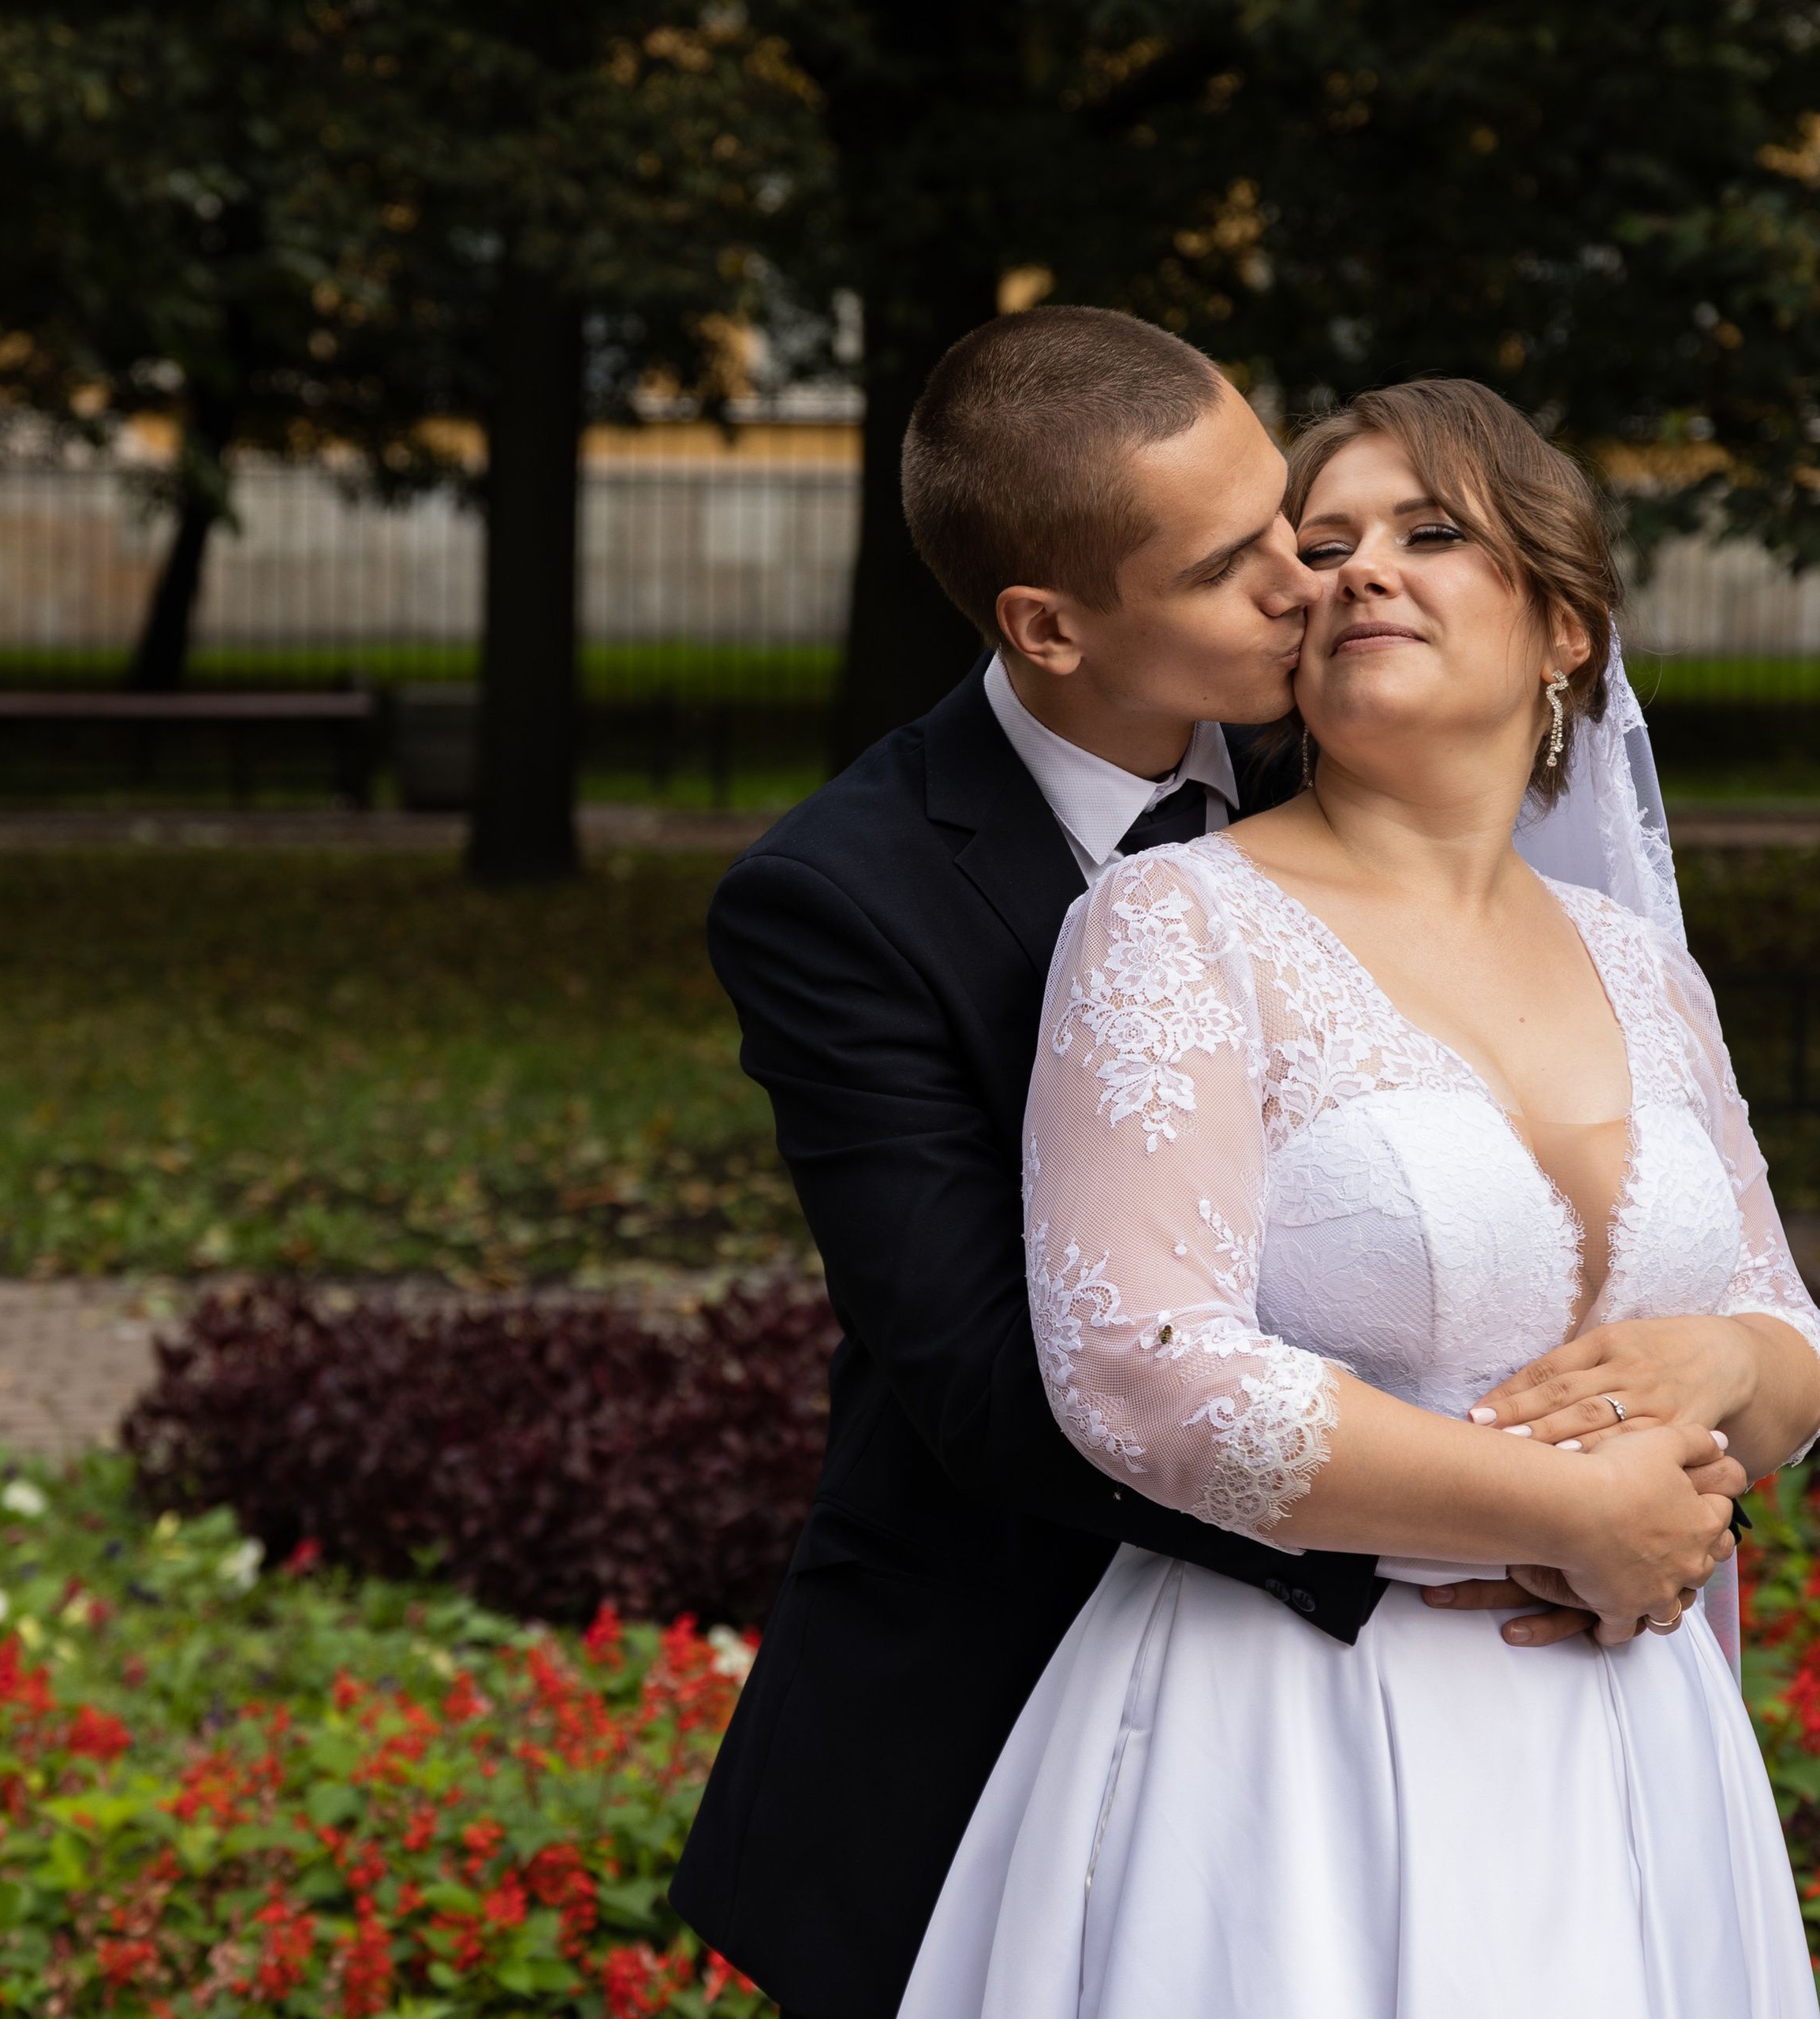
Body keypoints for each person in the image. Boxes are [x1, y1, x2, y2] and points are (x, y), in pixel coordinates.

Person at [670, 309, 1731, 2017]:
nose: (1314, 581)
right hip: (1019, 1674)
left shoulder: (1361, 733)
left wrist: (1705, 1383)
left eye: (1290, 522)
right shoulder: (842, 901)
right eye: (1240, 561)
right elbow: (1002, 1385)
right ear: (1051, 625)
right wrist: (1534, 1521)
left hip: (1538, 1706)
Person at [897, 378, 1820, 2017]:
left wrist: (1731, 1362)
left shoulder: (1642, 966)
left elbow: (1787, 1332)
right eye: (1320, 548)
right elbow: (1139, 1371)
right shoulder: (1174, 922)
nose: (1356, 571)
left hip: (1637, 1733)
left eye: (1429, 530)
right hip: (1300, 1738)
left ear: (1563, 629)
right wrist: (1567, 1513)